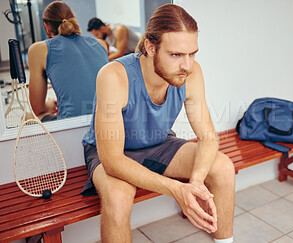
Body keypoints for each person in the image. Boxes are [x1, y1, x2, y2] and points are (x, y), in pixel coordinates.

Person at [81, 4, 235, 243]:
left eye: (192, 53)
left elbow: (208, 137)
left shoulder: (191, 73)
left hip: (157, 142)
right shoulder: (113, 76)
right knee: (118, 197)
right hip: (112, 153)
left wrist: (195, 180)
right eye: (176, 55)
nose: (187, 65)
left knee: (223, 167)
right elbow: (112, 161)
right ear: (151, 48)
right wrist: (176, 189)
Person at [28, 1, 108, 121]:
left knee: (29, 117)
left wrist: (50, 105)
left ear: (47, 26)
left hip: (72, 125)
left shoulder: (38, 50)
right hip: (108, 121)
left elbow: (38, 109)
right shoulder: (101, 44)